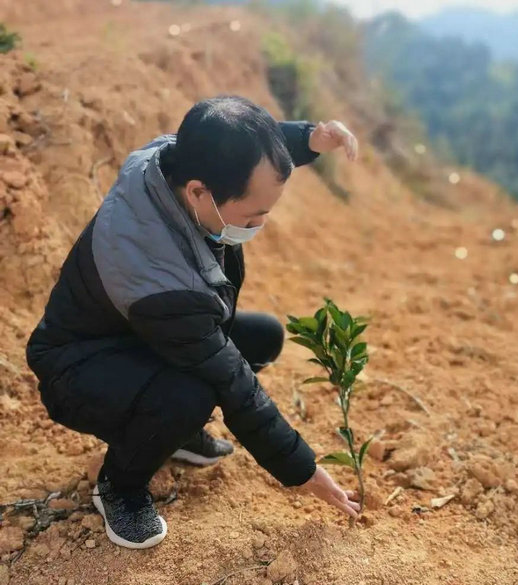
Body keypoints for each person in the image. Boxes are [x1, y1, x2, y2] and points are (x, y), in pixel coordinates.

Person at [25, 95, 361, 549]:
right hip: (76, 366)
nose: (258, 225)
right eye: (252, 216)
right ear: (199, 192)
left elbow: (237, 144)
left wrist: (308, 140)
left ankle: (173, 434)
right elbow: (232, 382)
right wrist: (302, 470)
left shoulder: (173, 163)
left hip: (136, 334)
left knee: (261, 337)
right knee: (193, 392)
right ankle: (120, 486)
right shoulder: (160, 276)